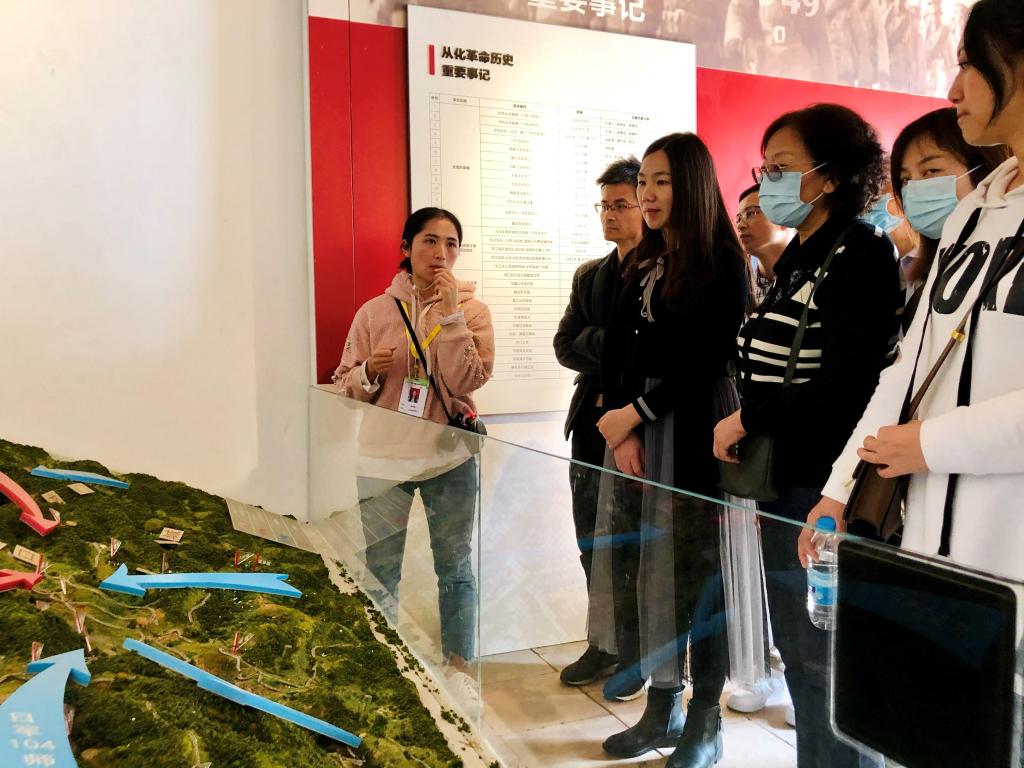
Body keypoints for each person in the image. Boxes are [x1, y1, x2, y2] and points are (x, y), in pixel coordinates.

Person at [802, 0, 1024, 586]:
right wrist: (842, 487)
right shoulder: (975, 212)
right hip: (935, 554)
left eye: (969, 63)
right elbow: (911, 367)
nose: (953, 89)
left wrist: (932, 444)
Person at [713, 103, 902, 768]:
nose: (767, 182)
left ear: (831, 174)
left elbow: (849, 383)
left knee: (826, 658)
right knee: (801, 650)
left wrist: (749, 417)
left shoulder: (860, 251)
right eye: (764, 168)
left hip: (824, 484)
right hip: (783, 476)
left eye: (782, 168)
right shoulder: (800, 253)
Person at [593, 132, 748, 767]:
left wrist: (636, 414)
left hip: (695, 431)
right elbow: (615, 352)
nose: (649, 195)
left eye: (662, 181)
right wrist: (621, 425)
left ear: (692, 184)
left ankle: (706, 717)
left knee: (699, 577)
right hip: (639, 431)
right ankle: (663, 704)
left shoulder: (721, 261)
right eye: (644, 183)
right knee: (650, 571)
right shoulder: (644, 261)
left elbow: (707, 363)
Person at [333, 207, 494, 672]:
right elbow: (344, 386)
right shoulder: (374, 312)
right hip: (383, 460)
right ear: (406, 248)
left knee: (455, 567)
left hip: (450, 459)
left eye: (451, 244)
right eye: (429, 240)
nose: (441, 253)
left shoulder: (473, 311)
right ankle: (384, 667)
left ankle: (460, 667)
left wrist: (453, 317)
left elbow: (469, 380)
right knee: (380, 569)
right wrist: (369, 371)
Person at [553, 157, 645, 695]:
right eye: (604, 205)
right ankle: (603, 641)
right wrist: (611, 344)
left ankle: (640, 653)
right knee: (592, 540)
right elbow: (564, 345)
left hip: (643, 429)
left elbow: (650, 353)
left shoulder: (665, 272)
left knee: (638, 544)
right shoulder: (591, 275)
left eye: (621, 204)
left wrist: (602, 343)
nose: (610, 215)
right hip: (589, 425)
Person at [885, 107, 1008, 328]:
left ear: (985, 171)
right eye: (905, 179)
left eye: (931, 171)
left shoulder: (1007, 270)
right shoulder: (922, 272)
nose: (914, 187)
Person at [735, 183, 791, 307]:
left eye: (750, 213)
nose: (740, 225)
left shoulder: (813, 273)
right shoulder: (741, 290)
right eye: (738, 219)